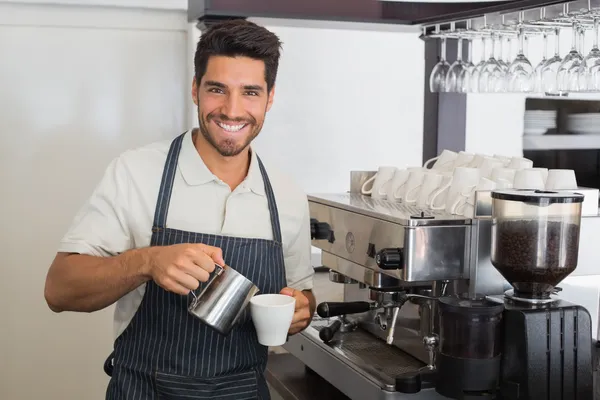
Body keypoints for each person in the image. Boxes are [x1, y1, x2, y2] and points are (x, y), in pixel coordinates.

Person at [44, 19, 316, 400]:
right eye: (217, 89)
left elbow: (302, 292)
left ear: (270, 97)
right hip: (144, 390)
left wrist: (303, 310)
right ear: (195, 90)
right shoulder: (136, 173)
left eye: (250, 92)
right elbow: (59, 290)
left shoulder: (287, 195)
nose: (232, 110)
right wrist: (146, 262)